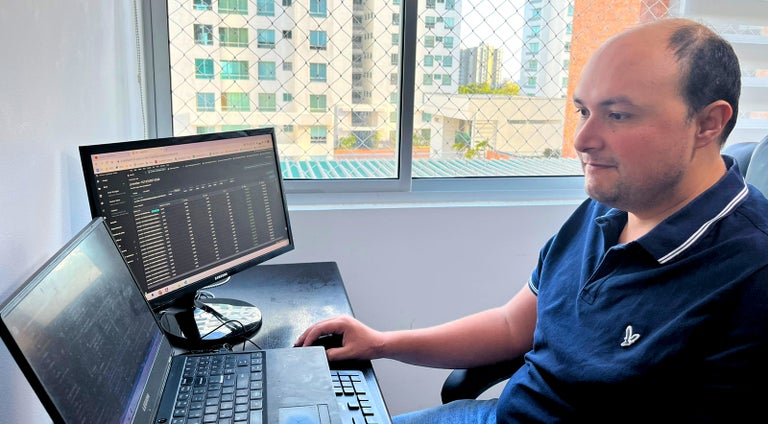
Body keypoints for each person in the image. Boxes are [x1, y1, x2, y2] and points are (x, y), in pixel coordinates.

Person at [296, 18, 768, 422]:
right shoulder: (611, 205)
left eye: (618, 115)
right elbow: (510, 325)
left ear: (708, 124)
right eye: (583, 111)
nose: (583, 139)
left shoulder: (751, 273)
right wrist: (381, 343)